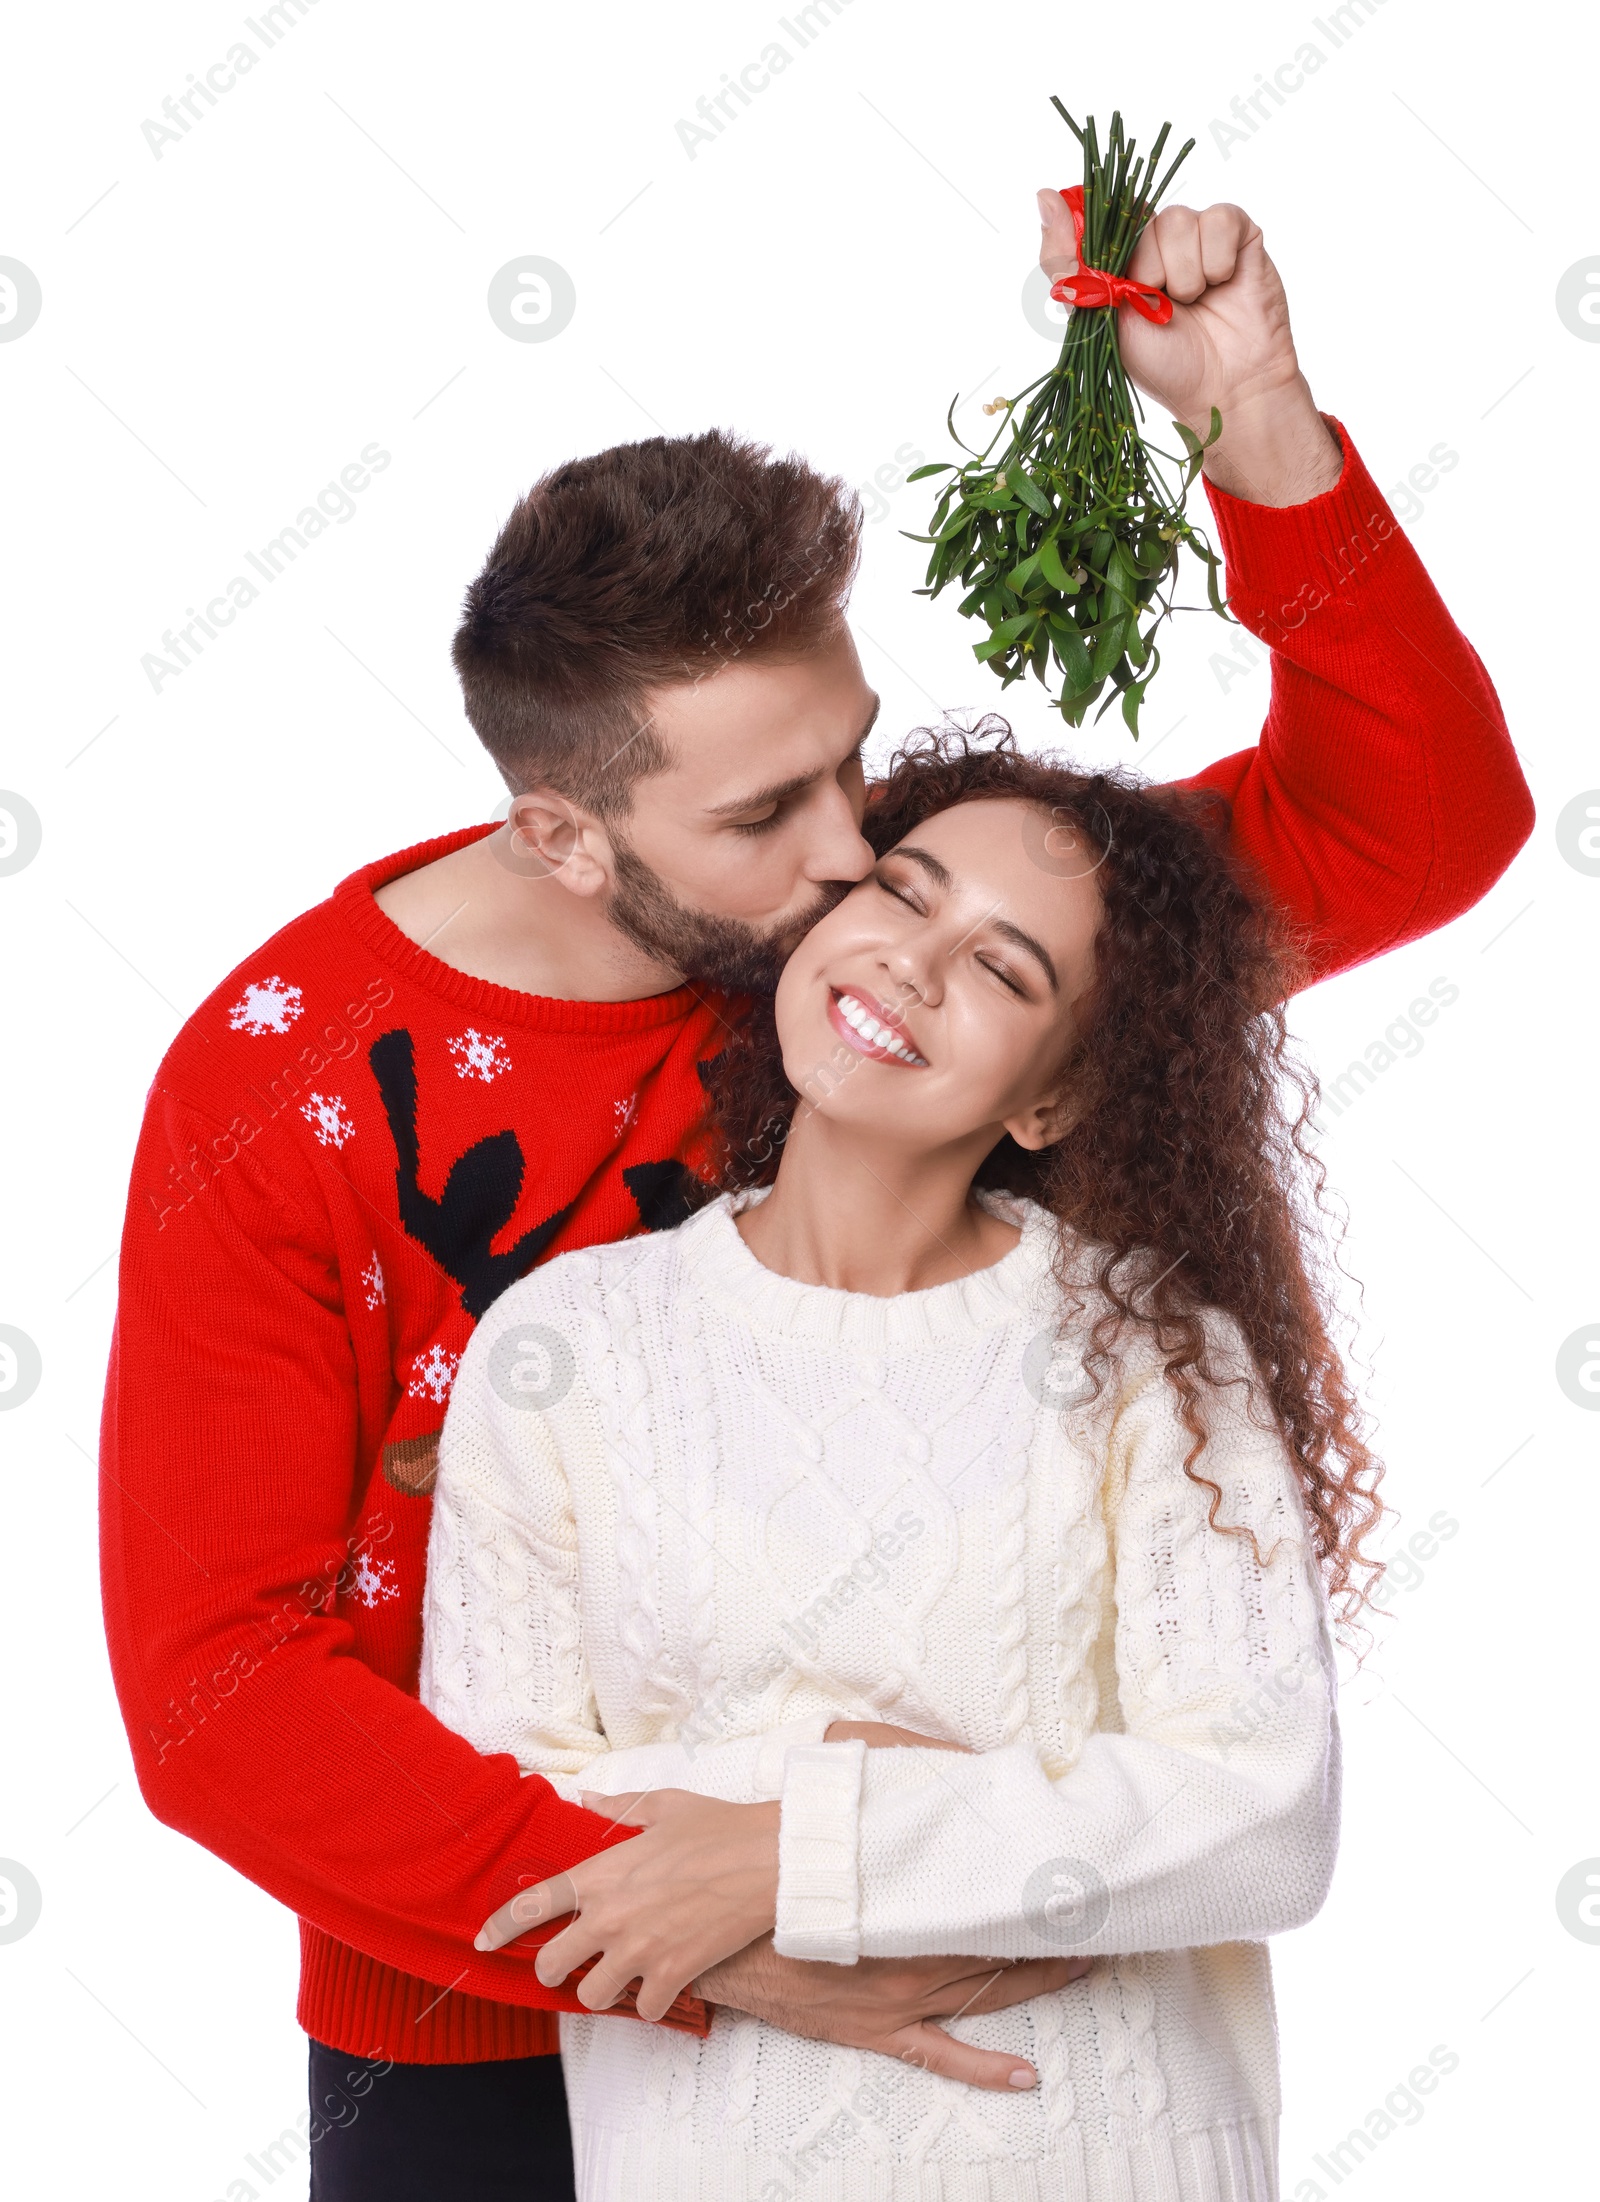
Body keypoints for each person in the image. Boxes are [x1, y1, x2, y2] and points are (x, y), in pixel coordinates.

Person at [97, 186, 1530, 2201]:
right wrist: (720, 1935)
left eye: (851, 763)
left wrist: (1257, 429)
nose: (859, 853)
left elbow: (1415, 822)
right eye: (768, 812)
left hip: (973, 1975)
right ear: (560, 831)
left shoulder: (896, 970)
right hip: (488, 2011)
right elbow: (220, 1685)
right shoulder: (283, 1088)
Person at [420, 725, 1367, 2200]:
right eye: (905, 892)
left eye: (1007, 969)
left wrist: (782, 1844)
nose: (915, 964)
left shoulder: (1153, 1353)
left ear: (1049, 1099)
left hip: (1106, 2150)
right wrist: (941, 1815)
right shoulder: (567, 1349)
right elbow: (503, 1827)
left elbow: (1261, 1815)